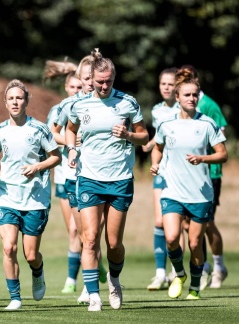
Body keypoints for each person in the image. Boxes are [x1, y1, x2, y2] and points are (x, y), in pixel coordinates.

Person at [65, 49, 149, 311]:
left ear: (114, 78)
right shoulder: (79, 104)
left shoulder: (128, 102)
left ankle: (114, 280)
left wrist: (128, 135)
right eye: (100, 81)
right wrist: (71, 149)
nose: (103, 86)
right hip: (89, 177)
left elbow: (144, 136)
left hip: (120, 179)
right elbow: (70, 130)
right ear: (92, 77)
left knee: (114, 244)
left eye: (108, 81)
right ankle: (93, 294)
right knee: (89, 239)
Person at [150, 67, 227, 300]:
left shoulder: (206, 124)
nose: (192, 98)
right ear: (178, 98)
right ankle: (179, 274)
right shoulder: (166, 124)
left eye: (195, 94)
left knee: (195, 243)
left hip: (200, 193)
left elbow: (222, 154)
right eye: (187, 95)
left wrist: (203, 158)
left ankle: (194, 284)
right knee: (172, 237)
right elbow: (157, 148)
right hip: (172, 191)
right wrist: (156, 165)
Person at [0, 79, 61, 310]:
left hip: (35, 199)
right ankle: (15, 297)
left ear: (26, 101)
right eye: (11, 98)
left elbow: (55, 157)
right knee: (9, 247)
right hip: (7, 197)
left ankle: (37, 271)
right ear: (5, 102)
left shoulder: (39, 129)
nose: (15, 102)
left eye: (19, 98)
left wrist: (37, 167)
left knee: (30, 255)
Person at [49, 53, 108, 304]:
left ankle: (90, 279)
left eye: (89, 79)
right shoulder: (67, 106)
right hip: (72, 175)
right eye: (84, 79)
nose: (88, 83)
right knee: (82, 233)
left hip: (102, 176)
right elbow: (52, 133)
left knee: (93, 234)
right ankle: (85, 283)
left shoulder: (108, 103)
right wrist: (71, 141)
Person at [180, 64, 229, 290]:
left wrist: (203, 159)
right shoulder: (179, 109)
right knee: (188, 225)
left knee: (207, 223)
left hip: (210, 173)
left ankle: (218, 266)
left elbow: (220, 140)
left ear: (197, 81)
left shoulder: (209, 106)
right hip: (188, 175)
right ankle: (205, 264)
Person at [141, 67, 180, 290]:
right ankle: (160, 273)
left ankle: (178, 271)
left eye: (170, 83)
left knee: (178, 225)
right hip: (161, 171)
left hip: (180, 173)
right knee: (159, 221)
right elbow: (159, 137)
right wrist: (148, 145)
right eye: (163, 83)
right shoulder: (156, 110)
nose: (166, 87)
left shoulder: (183, 108)